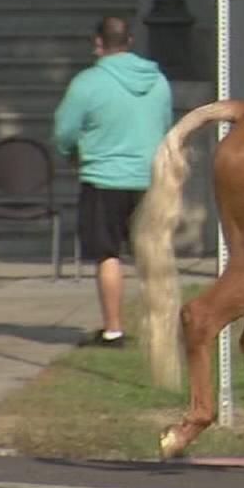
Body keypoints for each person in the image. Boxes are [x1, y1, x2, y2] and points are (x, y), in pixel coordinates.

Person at [53, 17, 172, 347]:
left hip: (104, 178)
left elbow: (64, 130)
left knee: (108, 254)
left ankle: (113, 329)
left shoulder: (88, 83)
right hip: (149, 176)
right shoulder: (158, 81)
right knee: (151, 253)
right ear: (130, 40)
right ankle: (161, 326)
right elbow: (165, 124)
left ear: (98, 43)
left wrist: (71, 152)